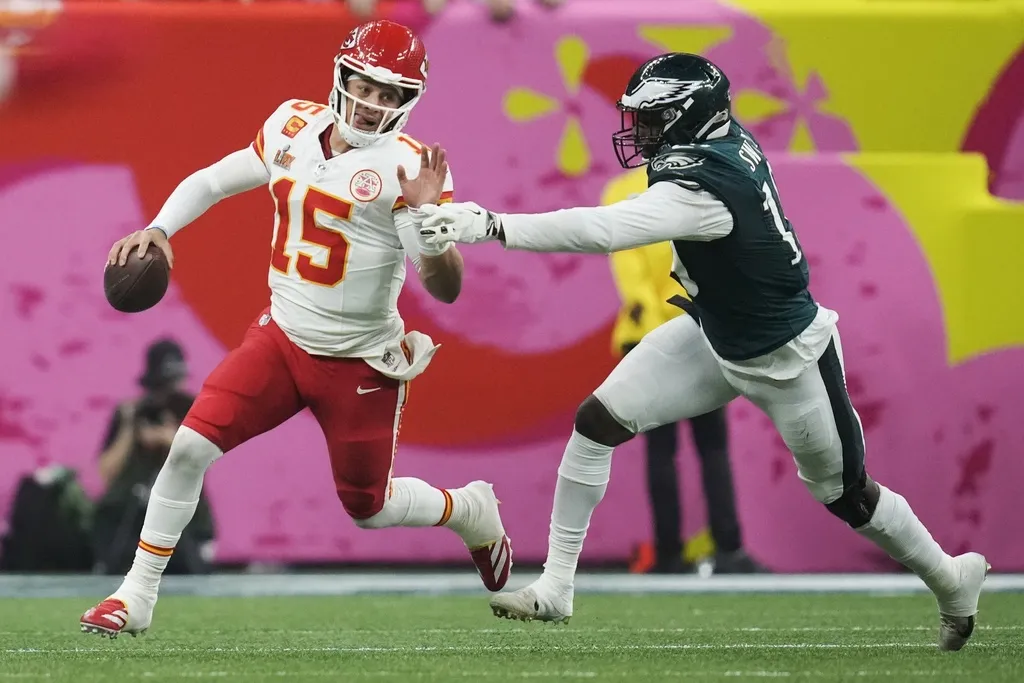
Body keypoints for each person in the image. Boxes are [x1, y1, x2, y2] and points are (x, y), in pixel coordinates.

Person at [415, 53, 989, 651]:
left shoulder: (705, 186)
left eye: (651, 118)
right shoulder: (719, 141)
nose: (639, 131)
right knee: (597, 422)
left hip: (787, 356)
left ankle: (951, 580)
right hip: (715, 331)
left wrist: (491, 225)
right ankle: (556, 587)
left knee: (846, 494)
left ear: (688, 115)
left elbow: (605, 230)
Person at [81, 19, 512, 639]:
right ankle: (136, 595)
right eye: (365, 85)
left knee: (369, 509)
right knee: (190, 447)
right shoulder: (293, 126)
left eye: (389, 94)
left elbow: (446, 287)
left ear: (408, 101)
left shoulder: (411, 168)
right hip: (282, 339)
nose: (373, 103)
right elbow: (214, 180)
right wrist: (160, 228)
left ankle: (470, 509)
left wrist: (427, 223)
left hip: (362, 358)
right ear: (342, 78)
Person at [610, 245, 766, 574]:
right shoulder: (698, 210)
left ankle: (670, 554)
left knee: (665, 449)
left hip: (652, 338)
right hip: (698, 332)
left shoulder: (628, 210)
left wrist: (660, 336)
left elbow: (634, 282)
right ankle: (728, 549)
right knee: (711, 447)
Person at [92, 339, 215, 576]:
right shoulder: (131, 414)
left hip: (183, 517)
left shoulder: (190, 408)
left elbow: (203, 460)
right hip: (130, 515)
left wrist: (171, 440)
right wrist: (129, 428)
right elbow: (106, 472)